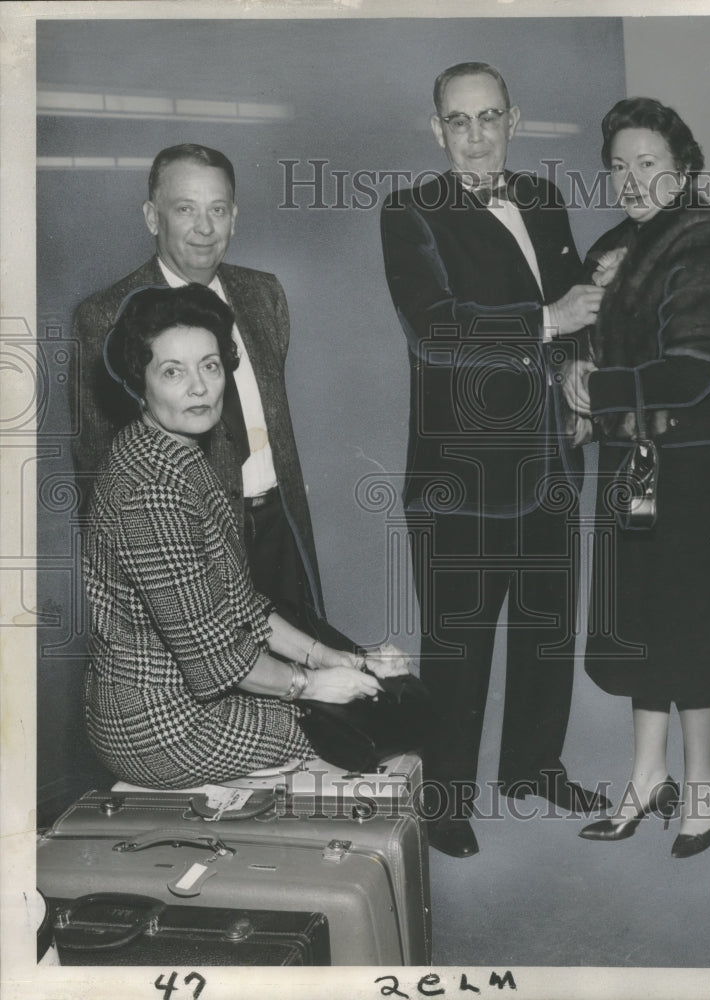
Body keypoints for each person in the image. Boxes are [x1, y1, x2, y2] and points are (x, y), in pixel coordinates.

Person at [380, 61, 610, 857]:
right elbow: (434, 330)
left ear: (514, 119)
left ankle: (531, 766)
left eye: (488, 118)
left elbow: (575, 301)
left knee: (547, 631)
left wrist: (578, 362)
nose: (474, 137)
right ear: (435, 128)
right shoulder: (409, 212)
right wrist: (548, 323)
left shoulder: (543, 199)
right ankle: (445, 798)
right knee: (458, 645)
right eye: (457, 121)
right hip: (461, 478)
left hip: (550, 460)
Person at [83, 283, 408, 789]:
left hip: (186, 697)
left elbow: (240, 604)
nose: (199, 388)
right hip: (163, 727)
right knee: (377, 720)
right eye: (173, 372)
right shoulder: (151, 491)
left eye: (210, 366)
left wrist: (331, 658)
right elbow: (214, 659)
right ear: (139, 381)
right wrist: (311, 686)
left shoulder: (175, 452)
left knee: (374, 692)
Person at [562, 97, 710, 858]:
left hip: (690, 464)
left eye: (647, 163)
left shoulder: (705, 234)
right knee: (637, 620)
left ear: (681, 167)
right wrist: (584, 344)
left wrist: (598, 390)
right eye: (617, 165)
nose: (631, 178)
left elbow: (705, 369)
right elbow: (584, 341)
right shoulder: (618, 245)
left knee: (684, 621)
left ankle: (701, 784)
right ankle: (646, 778)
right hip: (630, 463)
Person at [72, 143, 324, 633]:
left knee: (309, 690)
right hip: (186, 550)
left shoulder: (264, 294)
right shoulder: (104, 317)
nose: (205, 228)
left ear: (235, 217)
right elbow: (98, 475)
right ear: (152, 217)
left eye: (218, 209)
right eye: (185, 209)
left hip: (280, 529)